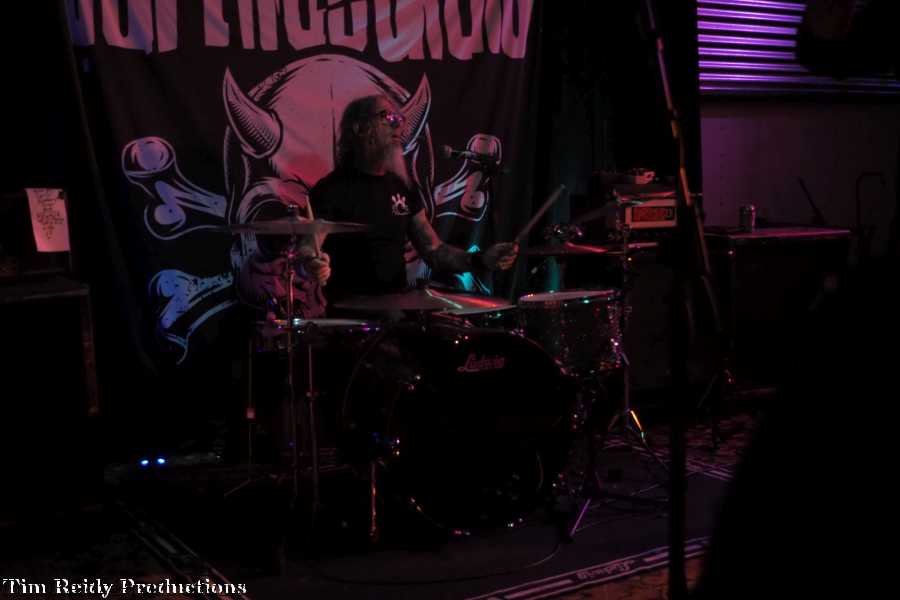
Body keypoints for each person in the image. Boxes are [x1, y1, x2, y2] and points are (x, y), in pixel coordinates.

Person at [309, 94, 518, 303]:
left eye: (399, 119)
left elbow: (433, 250)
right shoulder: (330, 190)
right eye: (388, 117)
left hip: (395, 311)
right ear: (360, 128)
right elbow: (309, 247)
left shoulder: (402, 187)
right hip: (349, 315)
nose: (398, 126)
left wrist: (481, 260)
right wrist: (313, 263)